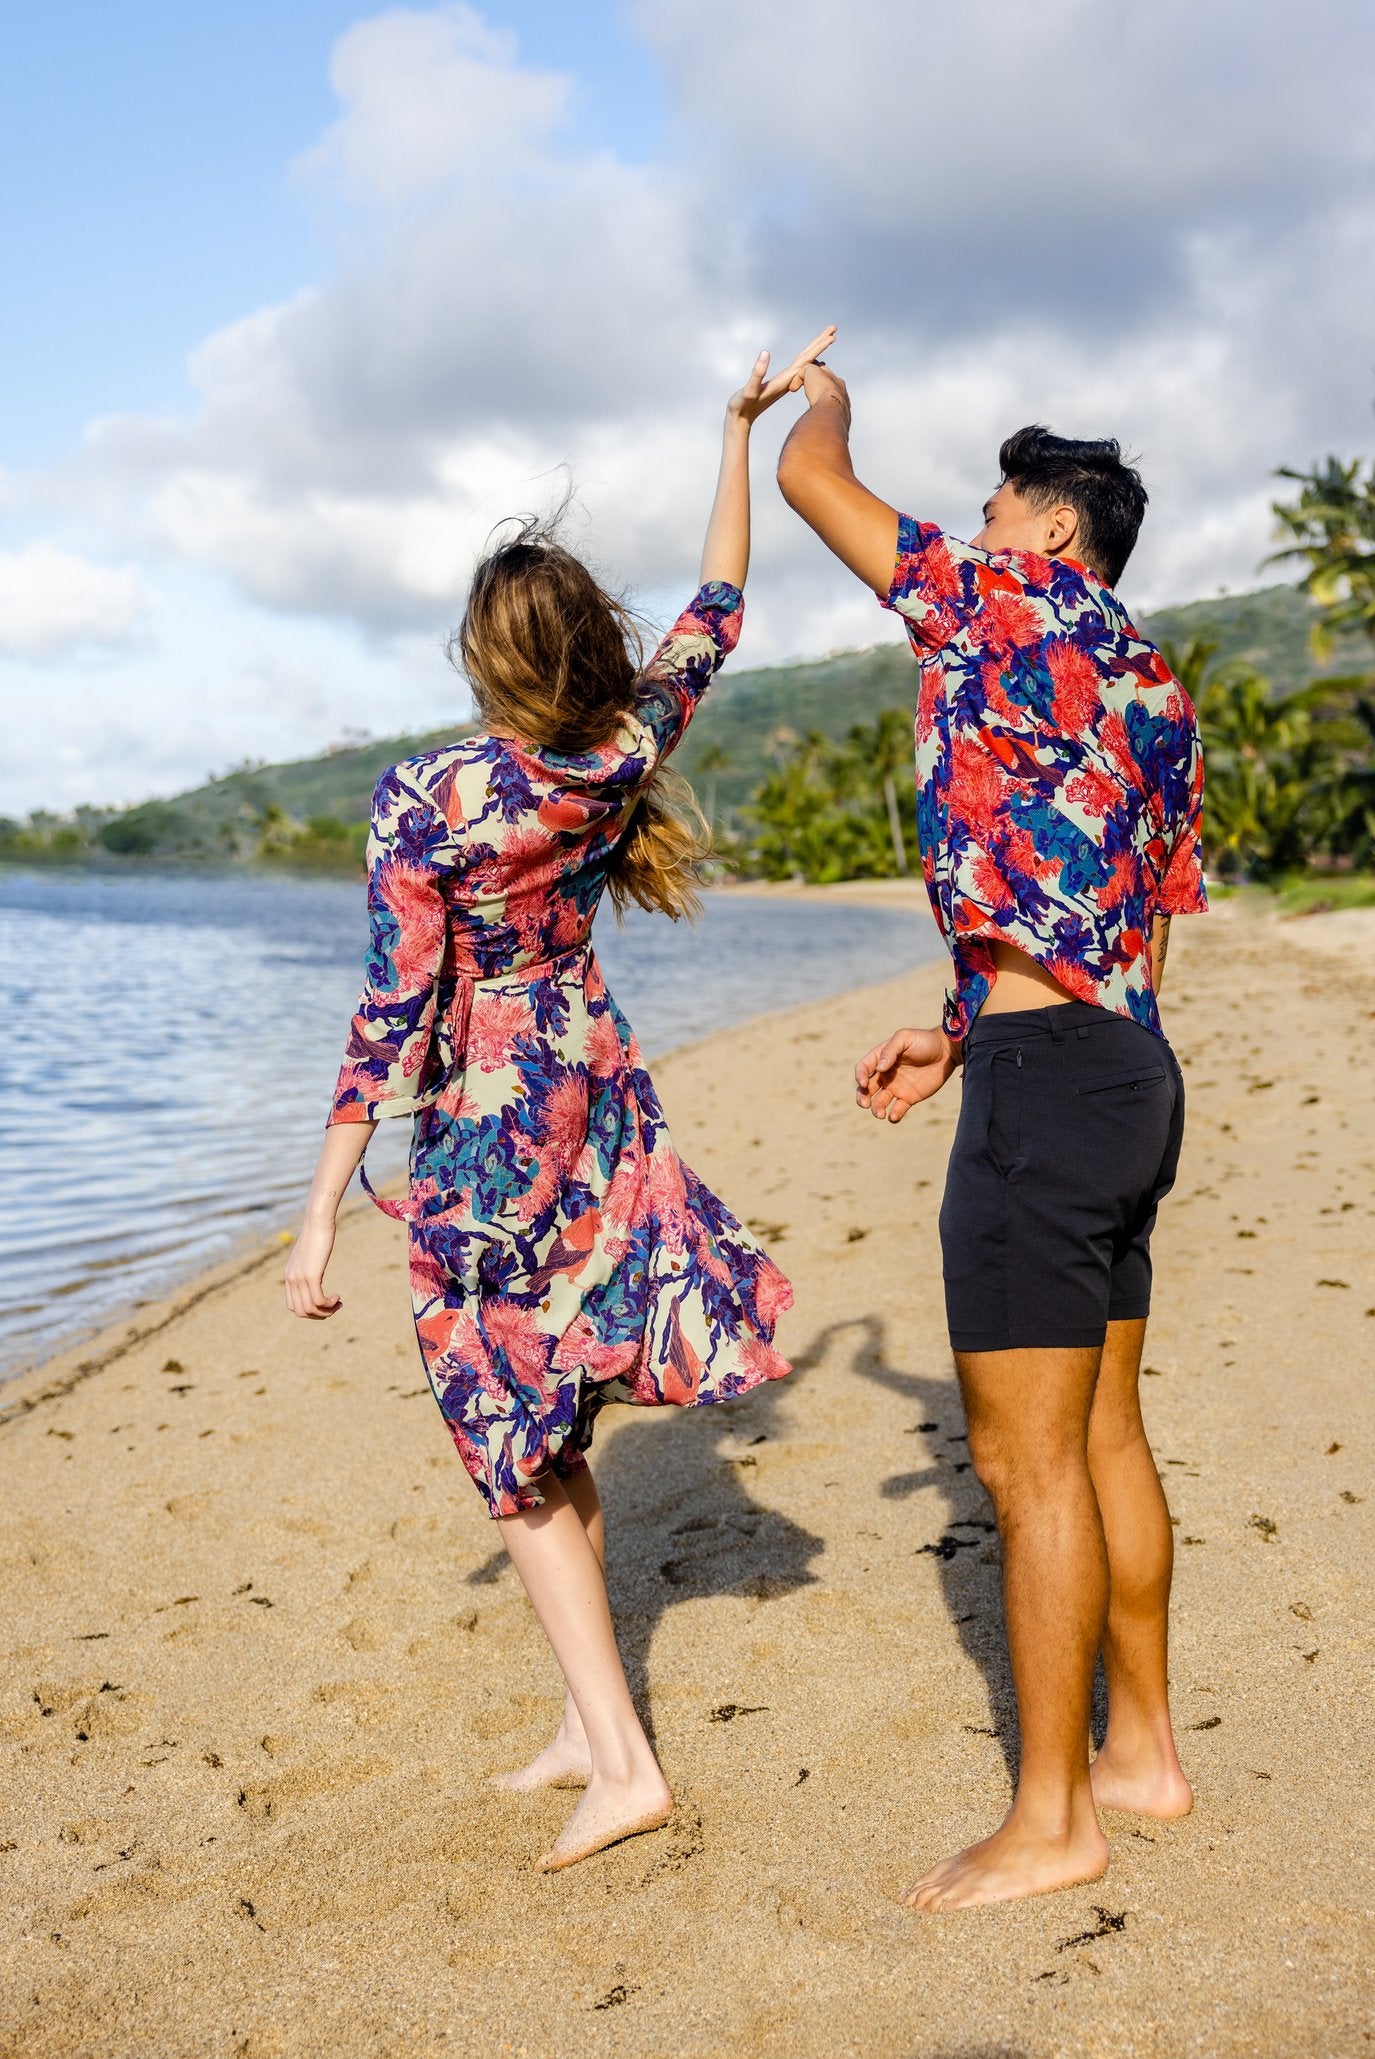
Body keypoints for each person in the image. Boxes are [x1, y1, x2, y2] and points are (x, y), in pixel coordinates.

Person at [284, 328, 834, 1872]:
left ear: (486, 662)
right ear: (588, 648)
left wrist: (316, 1216)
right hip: (591, 1106)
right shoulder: (621, 751)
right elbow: (722, 599)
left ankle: (628, 1765)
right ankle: (592, 1730)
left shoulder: (429, 800)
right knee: (551, 1423)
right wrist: (736, 432)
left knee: (507, 1444)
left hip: (484, 1147)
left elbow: (388, 1017)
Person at [779, 374, 1207, 1911]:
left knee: (1027, 1472)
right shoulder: (1153, 685)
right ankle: (1139, 1755)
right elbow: (1114, 910)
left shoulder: (1002, 600)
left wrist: (820, 403)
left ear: (1054, 530)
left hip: (1048, 1088)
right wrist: (958, 1029)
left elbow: (812, 485)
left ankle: (1052, 1819)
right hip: (1126, 1067)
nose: (974, 527)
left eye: (995, 506)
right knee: (1106, 1438)